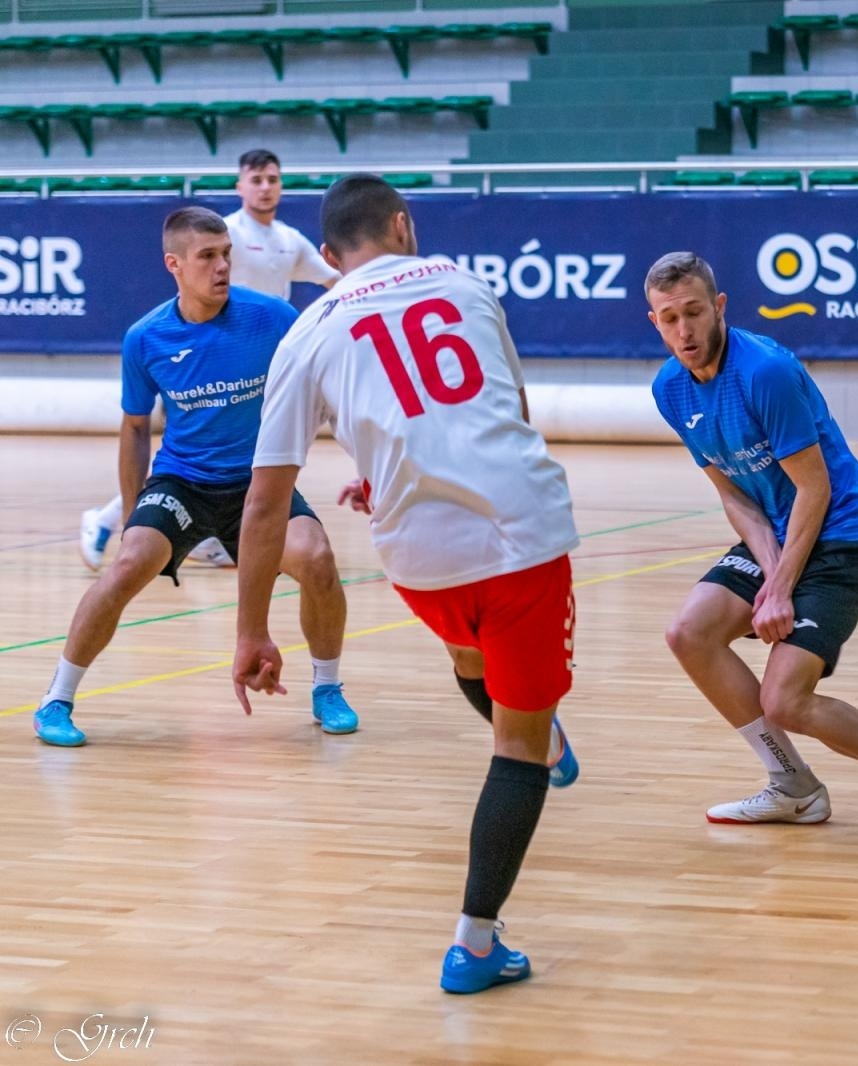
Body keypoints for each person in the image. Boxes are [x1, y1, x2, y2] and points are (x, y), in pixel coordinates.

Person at [231, 174, 579, 995]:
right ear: (401, 224)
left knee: (468, 655)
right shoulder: (467, 284)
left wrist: (249, 632)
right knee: (518, 745)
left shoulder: (306, 329)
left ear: (326, 255)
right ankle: (477, 942)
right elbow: (510, 415)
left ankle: (539, 732)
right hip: (520, 541)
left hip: (416, 558)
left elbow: (265, 501)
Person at [646, 251, 858, 832]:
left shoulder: (764, 373)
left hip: (842, 534)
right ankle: (795, 787)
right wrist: (773, 574)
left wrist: (779, 590)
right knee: (689, 633)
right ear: (653, 320)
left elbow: (815, 487)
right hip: (778, 530)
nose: (685, 330)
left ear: (719, 307)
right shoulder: (670, 390)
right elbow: (736, 497)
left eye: (695, 312)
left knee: (787, 701)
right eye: (670, 318)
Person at [34, 206, 360, 747]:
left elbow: (330, 387)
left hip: (260, 486)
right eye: (207, 256)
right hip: (182, 482)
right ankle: (56, 699)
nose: (222, 266)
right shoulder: (146, 338)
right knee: (128, 565)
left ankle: (327, 687)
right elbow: (135, 428)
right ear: (174, 264)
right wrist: (134, 507)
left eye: (227, 254)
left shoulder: (275, 317)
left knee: (320, 561)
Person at [78, 148, 342, 571]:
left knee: (243, 460)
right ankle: (119, 520)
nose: (265, 187)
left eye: (273, 179)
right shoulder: (222, 230)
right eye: (256, 180)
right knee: (200, 455)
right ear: (239, 187)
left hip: (262, 358)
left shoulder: (289, 240)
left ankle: (202, 529)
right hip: (212, 356)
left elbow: (336, 281)